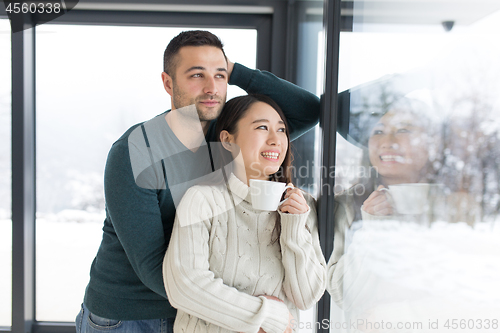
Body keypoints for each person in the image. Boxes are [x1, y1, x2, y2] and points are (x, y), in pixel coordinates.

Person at [75, 30, 320, 333]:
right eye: (196, 75)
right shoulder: (135, 152)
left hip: (201, 311)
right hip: (131, 315)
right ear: (168, 83)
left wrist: (236, 71)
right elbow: (153, 265)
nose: (211, 88)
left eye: (219, 76)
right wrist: (246, 311)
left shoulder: (229, 139)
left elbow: (309, 111)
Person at [163, 94, 327, 333]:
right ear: (228, 140)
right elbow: (184, 286)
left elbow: (306, 297)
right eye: (262, 127)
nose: (275, 140)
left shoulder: (303, 206)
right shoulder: (203, 200)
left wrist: (293, 227)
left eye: (281, 130)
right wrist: (270, 315)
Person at [326, 98, 438, 308]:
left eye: (404, 130)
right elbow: (342, 292)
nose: (387, 141)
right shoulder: (345, 204)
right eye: (378, 131)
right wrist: (371, 229)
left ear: (431, 144)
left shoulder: (449, 203)